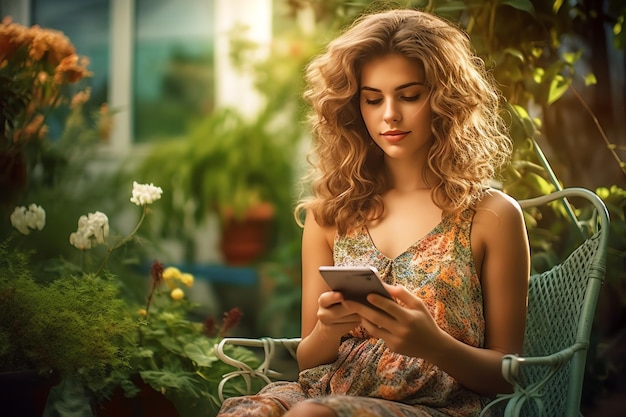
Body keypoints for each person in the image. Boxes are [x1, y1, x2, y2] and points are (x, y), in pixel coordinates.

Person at [217, 7, 530, 417]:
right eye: (372, 99)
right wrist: (329, 328)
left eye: (410, 95)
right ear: (353, 106)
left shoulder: (491, 215)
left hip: (435, 408)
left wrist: (432, 344)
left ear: (444, 100)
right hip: (322, 395)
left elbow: (509, 376)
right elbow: (310, 361)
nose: (389, 115)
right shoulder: (331, 213)